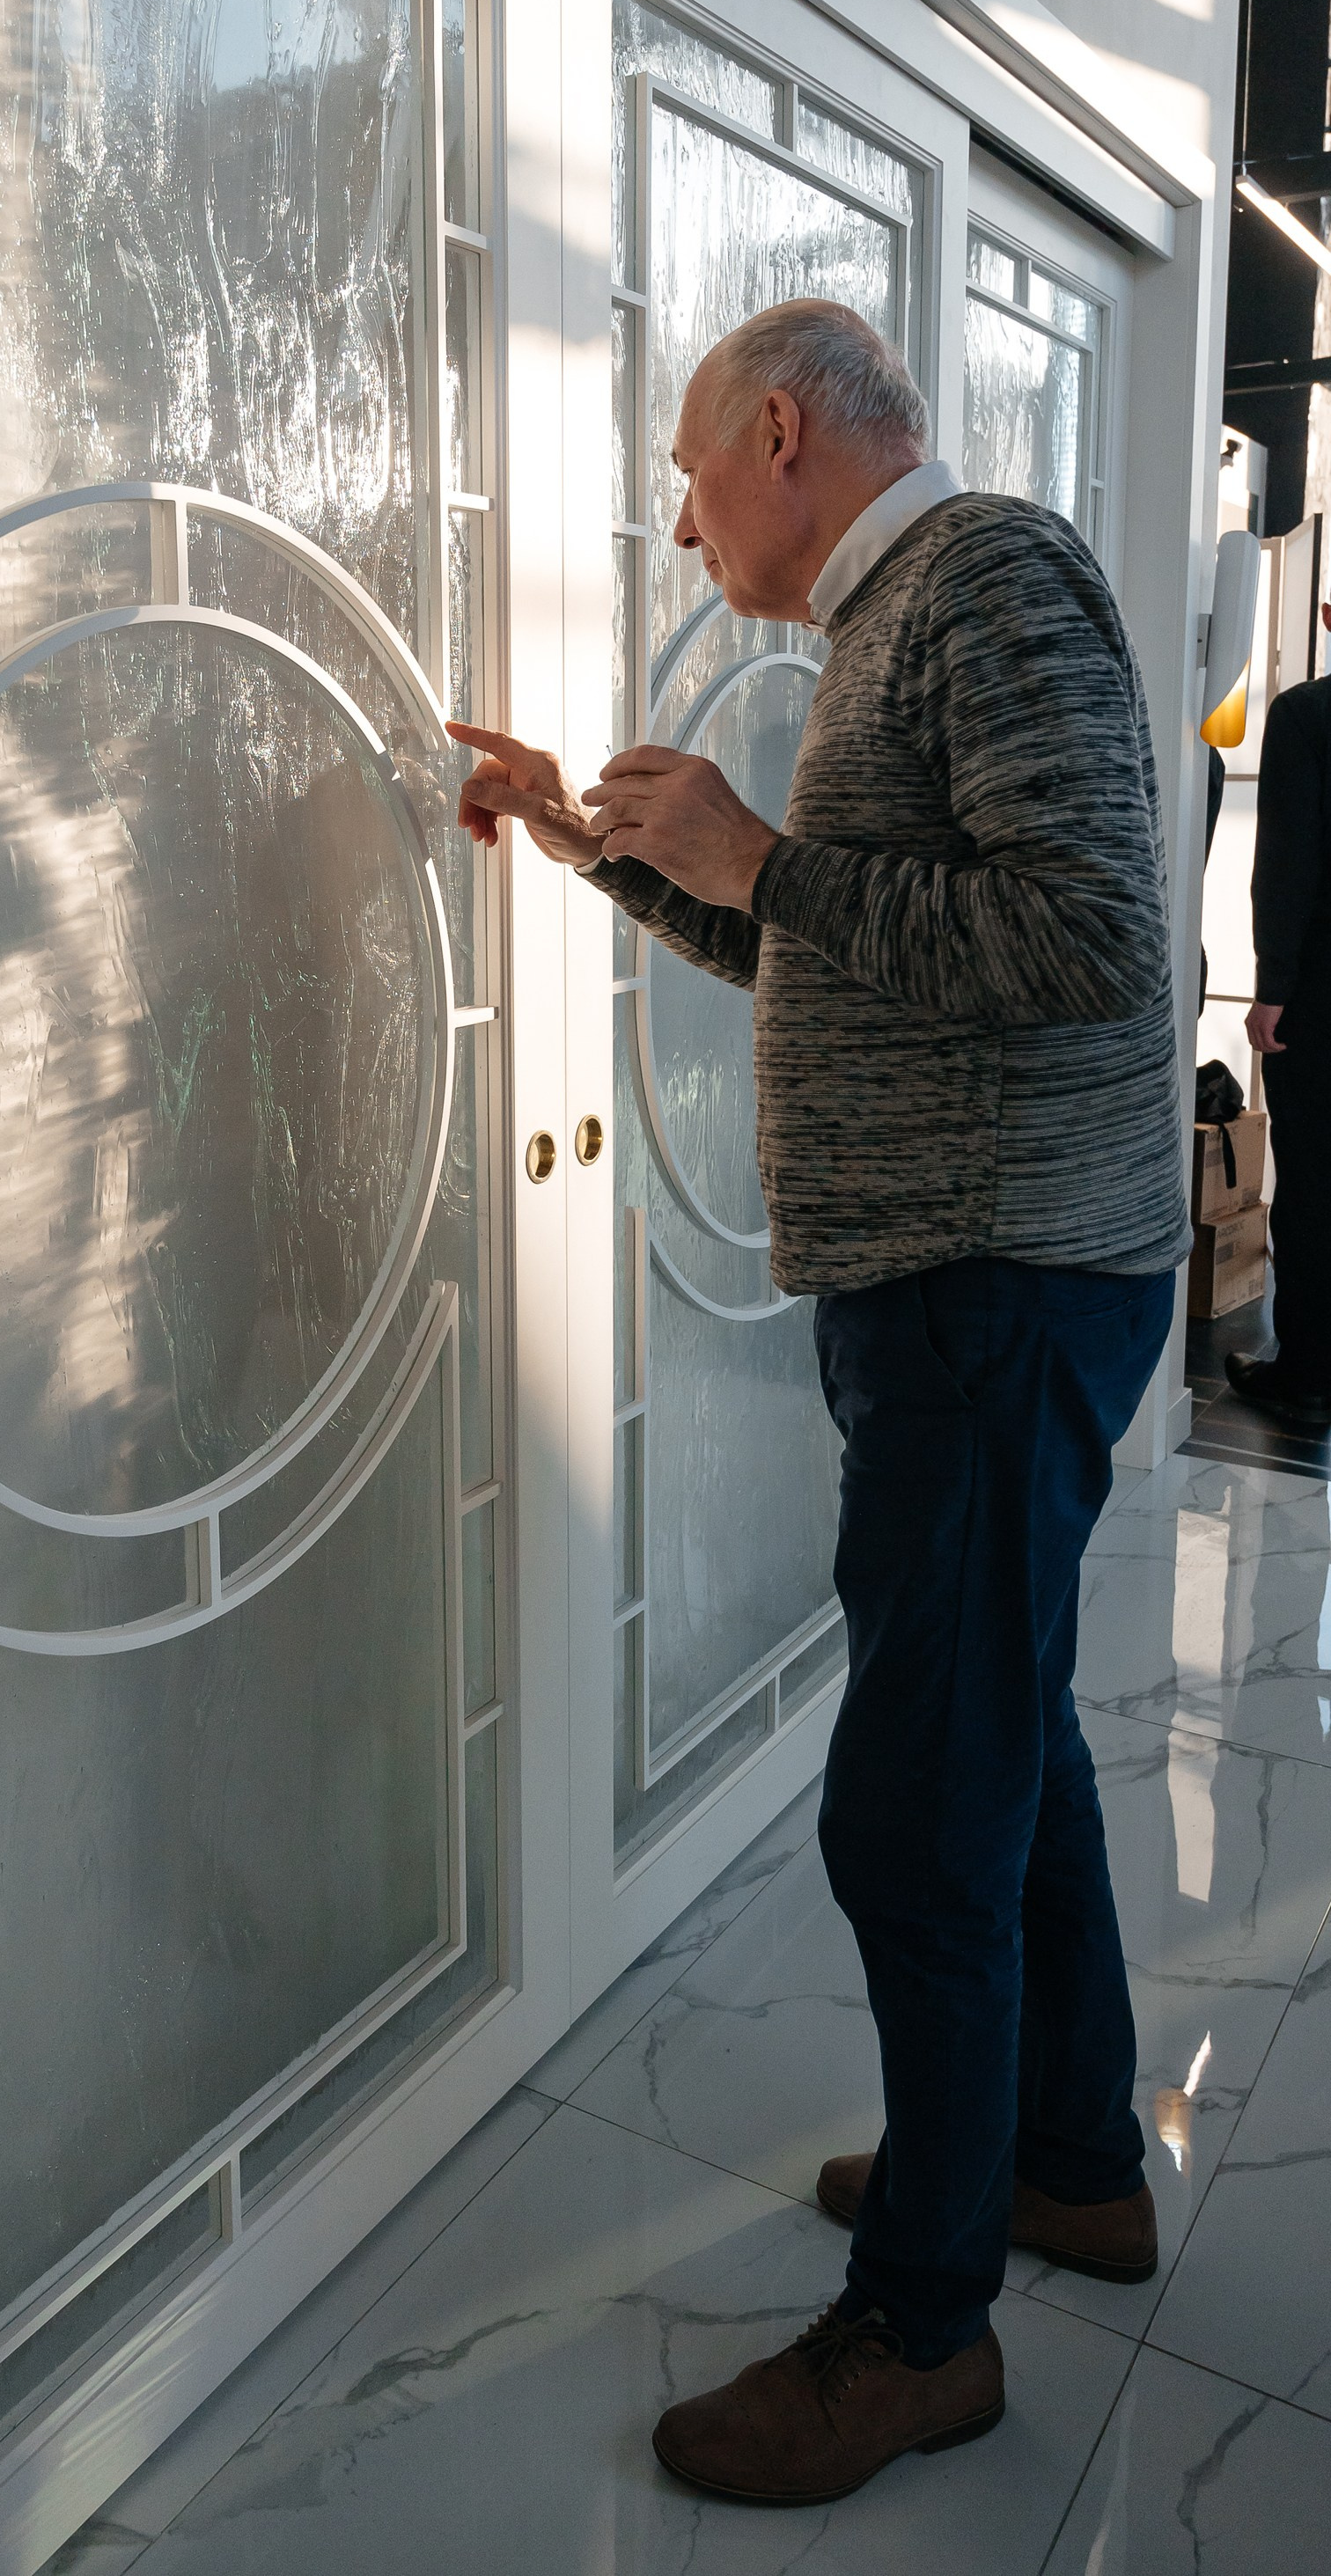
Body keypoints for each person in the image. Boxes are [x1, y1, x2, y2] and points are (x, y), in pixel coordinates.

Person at [449, 297, 1189, 2508]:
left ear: (777, 431)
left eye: (690, 479)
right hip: (971, 1286)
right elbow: (845, 947)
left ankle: (922, 2329)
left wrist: (762, 853)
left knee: (917, 1810)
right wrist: (606, 846)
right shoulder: (901, 616)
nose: (685, 531)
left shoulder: (983, 577)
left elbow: (1087, 941)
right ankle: (1067, 2159)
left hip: (989, 1287)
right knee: (1009, 1740)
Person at [1229, 619, 1331, 1425]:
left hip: (1322, 999)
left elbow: (1286, 864)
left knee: (1314, 1185)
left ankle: (1309, 1375)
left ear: (1329, 617)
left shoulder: (1306, 715)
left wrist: (1272, 986)